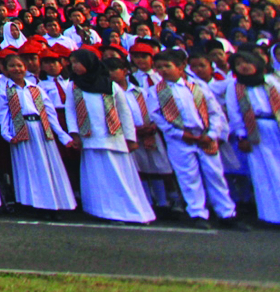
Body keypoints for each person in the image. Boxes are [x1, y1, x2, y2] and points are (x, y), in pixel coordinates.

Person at [149, 48, 240, 229]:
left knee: (214, 174)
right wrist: (181, 134)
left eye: (168, 66)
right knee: (188, 176)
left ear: (181, 67)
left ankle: (226, 213)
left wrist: (212, 134)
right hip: (180, 138)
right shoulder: (156, 91)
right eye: (159, 67)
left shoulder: (197, 87)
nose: (163, 70)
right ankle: (198, 212)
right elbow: (157, 117)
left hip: (204, 135)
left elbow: (214, 111)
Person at [66, 48, 155, 224]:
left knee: (120, 177)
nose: (74, 66)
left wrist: (131, 138)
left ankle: (131, 211)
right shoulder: (73, 85)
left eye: (78, 62)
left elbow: (124, 112)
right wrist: (74, 134)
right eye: (73, 62)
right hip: (90, 138)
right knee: (99, 179)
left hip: (114, 138)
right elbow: (70, 110)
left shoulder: (110, 85)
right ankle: (105, 212)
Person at [0, 50, 74, 217]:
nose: (16, 69)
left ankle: (53, 203)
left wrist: (62, 135)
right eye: (12, 66)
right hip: (22, 130)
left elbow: (50, 113)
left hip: (40, 129)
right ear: (6, 69)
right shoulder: (6, 91)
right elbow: (3, 115)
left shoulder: (36, 89)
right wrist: (8, 135)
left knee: (47, 166)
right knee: (30, 168)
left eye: (19, 65)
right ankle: (36, 204)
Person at [226, 48, 280, 226]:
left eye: (246, 62)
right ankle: (271, 215)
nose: (243, 67)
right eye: (238, 64)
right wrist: (242, 136)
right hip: (255, 130)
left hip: (276, 125)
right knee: (264, 171)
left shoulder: (273, 81)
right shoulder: (235, 87)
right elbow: (234, 113)